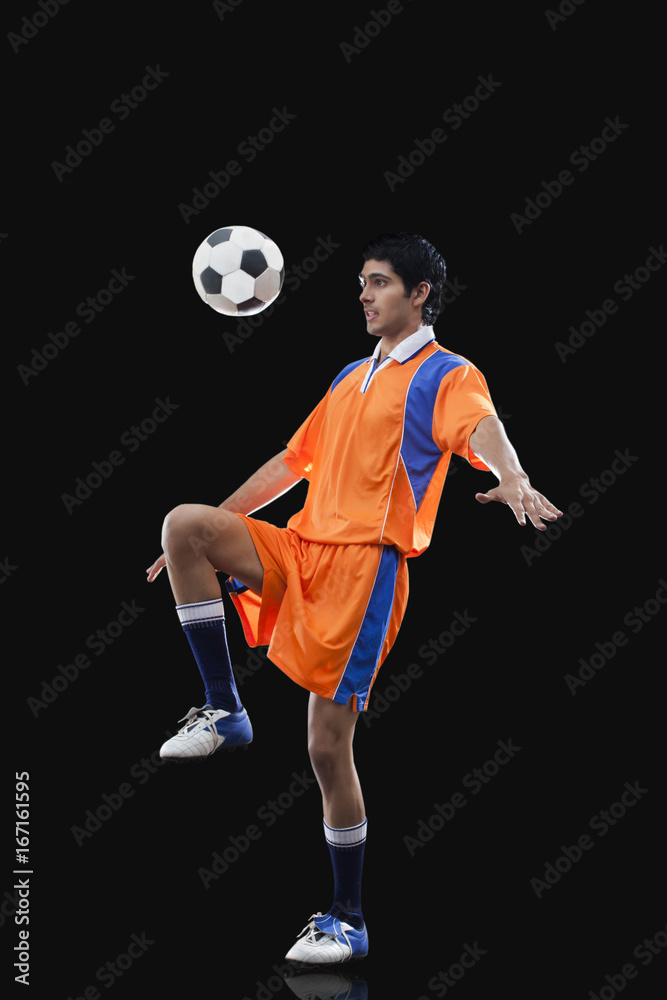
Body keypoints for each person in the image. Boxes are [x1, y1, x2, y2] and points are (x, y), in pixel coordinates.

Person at [145, 231, 562, 964]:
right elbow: (289, 462)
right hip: (301, 548)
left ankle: (345, 917)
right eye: (361, 283)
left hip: (363, 572)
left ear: (419, 293)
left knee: (325, 748)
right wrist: (215, 526)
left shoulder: (445, 373)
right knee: (185, 525)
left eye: (378, 283)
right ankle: (224, 709)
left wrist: (516, 476)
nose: (364, 295)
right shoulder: (348, 376)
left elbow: (483, 428)